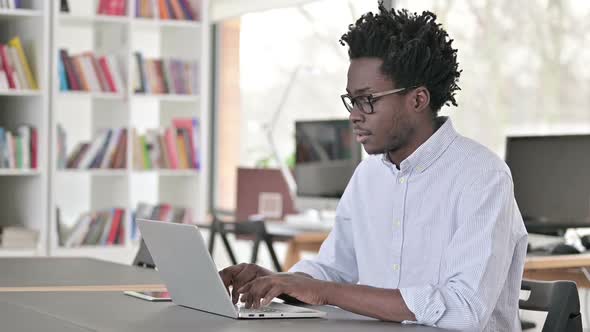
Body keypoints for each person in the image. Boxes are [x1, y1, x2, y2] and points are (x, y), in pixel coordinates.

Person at [220, 4, 527, 331]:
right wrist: (279, 282)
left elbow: (464, 309)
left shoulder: (482, 176)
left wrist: (325, 292)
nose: (354, 115)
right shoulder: (368, 176)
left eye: (368, 100)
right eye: (352, 100)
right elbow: (334, 270)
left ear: (418, 100)